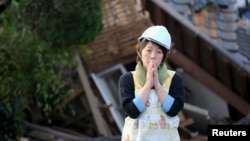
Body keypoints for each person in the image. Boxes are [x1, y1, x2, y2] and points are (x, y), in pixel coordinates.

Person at [119, 25, 185, 141]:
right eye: (148, 50)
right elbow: (132, 111)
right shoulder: (128, 79)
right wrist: (148, 85)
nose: (153, 56)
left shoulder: (174, 79)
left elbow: (174, 110)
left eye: (159, 52)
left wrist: (158, 86)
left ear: (164, 56)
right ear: (139, 51)